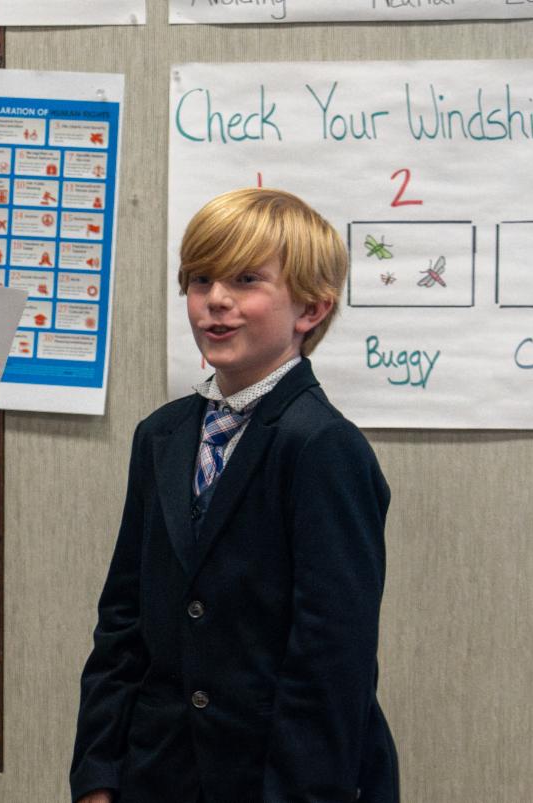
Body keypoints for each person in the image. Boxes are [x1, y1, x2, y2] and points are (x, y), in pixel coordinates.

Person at [70, 188, 398, 802]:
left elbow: (332, 660)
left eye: (246, 280)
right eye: (201, 280)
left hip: (281, 780)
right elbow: (123, 621)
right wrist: (98, 774)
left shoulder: (324, 447)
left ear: (311, 309)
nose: (216, 300)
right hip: (159, 775)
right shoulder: (161, 436)